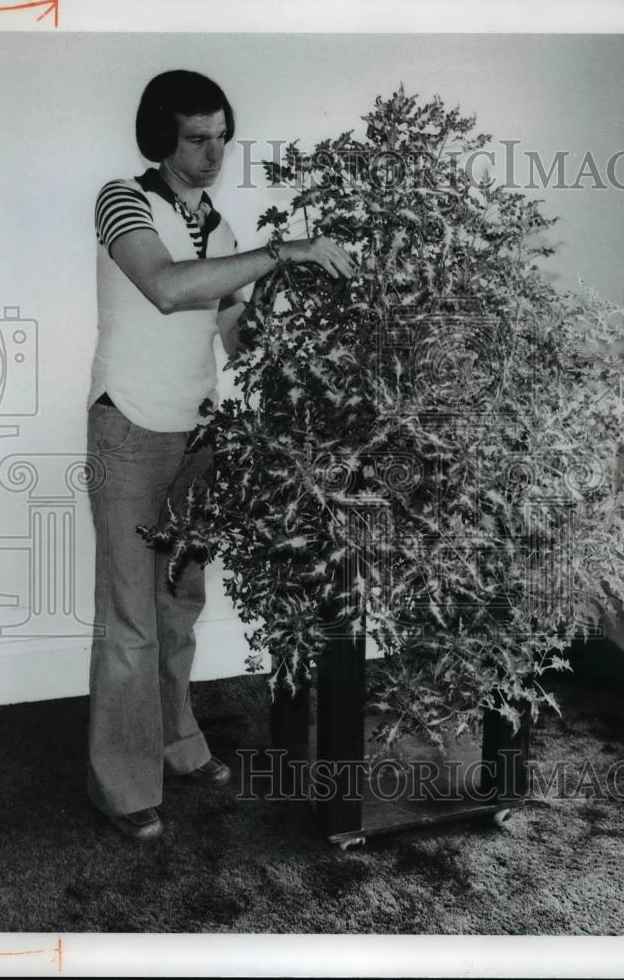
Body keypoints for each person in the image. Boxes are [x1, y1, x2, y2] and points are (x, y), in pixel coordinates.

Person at [87, 69, 353, 841]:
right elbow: (168, 288)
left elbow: (236, 338)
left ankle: (177, 745)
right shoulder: (121, 199)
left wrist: (308, 332)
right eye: (198, 138)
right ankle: (122, 785)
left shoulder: (225, 232)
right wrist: (285, 252)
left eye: (222, 138)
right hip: (128, 431)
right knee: (130, 619)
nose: (214, 153)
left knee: (179, 608)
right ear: (160, 138)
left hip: (199, 437)